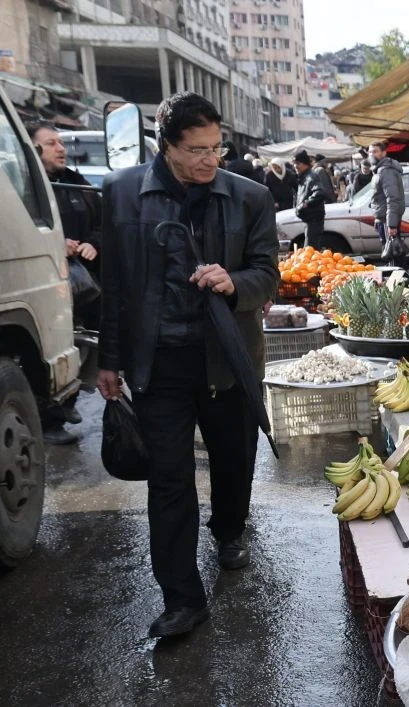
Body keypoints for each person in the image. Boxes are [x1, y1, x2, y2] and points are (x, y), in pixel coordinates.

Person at [97, 91, 279, 639]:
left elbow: (267, 274)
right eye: (196, 149)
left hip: (227, 357)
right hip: (159, 363)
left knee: (232, 459)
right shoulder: (123, 193)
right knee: (169, 480)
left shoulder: (250, 198)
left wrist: (234, 282)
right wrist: (108, 360)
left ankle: (228, 529)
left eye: (216, 148)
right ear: (166, 145)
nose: (209, 160)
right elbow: (116, 285)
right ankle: (182, 599)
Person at [28, 120, 102, 445]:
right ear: (33, 150)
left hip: (85, 284)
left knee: (87, 346)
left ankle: (68, 400)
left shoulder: (75, 183)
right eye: (51, 143)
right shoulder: (24, 189)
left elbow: (103, 222)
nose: (61, 148)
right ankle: (49, 417)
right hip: (45, 286)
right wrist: (58, 242)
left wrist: (93, 243)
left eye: (61, 142)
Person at [368, 140, 406, 268]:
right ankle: (399, 281)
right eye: (370, 152)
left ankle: (396, 283)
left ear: (384, 153)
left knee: (390, 252)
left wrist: (392, 225)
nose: (372, 154)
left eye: (375, 151)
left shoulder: (386, 171)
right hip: (383, 218)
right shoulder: (379, 170)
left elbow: (392, 198)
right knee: (392, 251)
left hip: (387, 220)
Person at [293, 149, 326, 249]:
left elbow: (320, 193)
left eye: (298, 163)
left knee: (311, 249)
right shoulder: (304, 176)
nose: (295, 166)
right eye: (294, 163)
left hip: (314, 218)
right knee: (310, 248)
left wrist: (305, 204)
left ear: (305, 164)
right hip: (309, 219)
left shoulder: (311, 176)